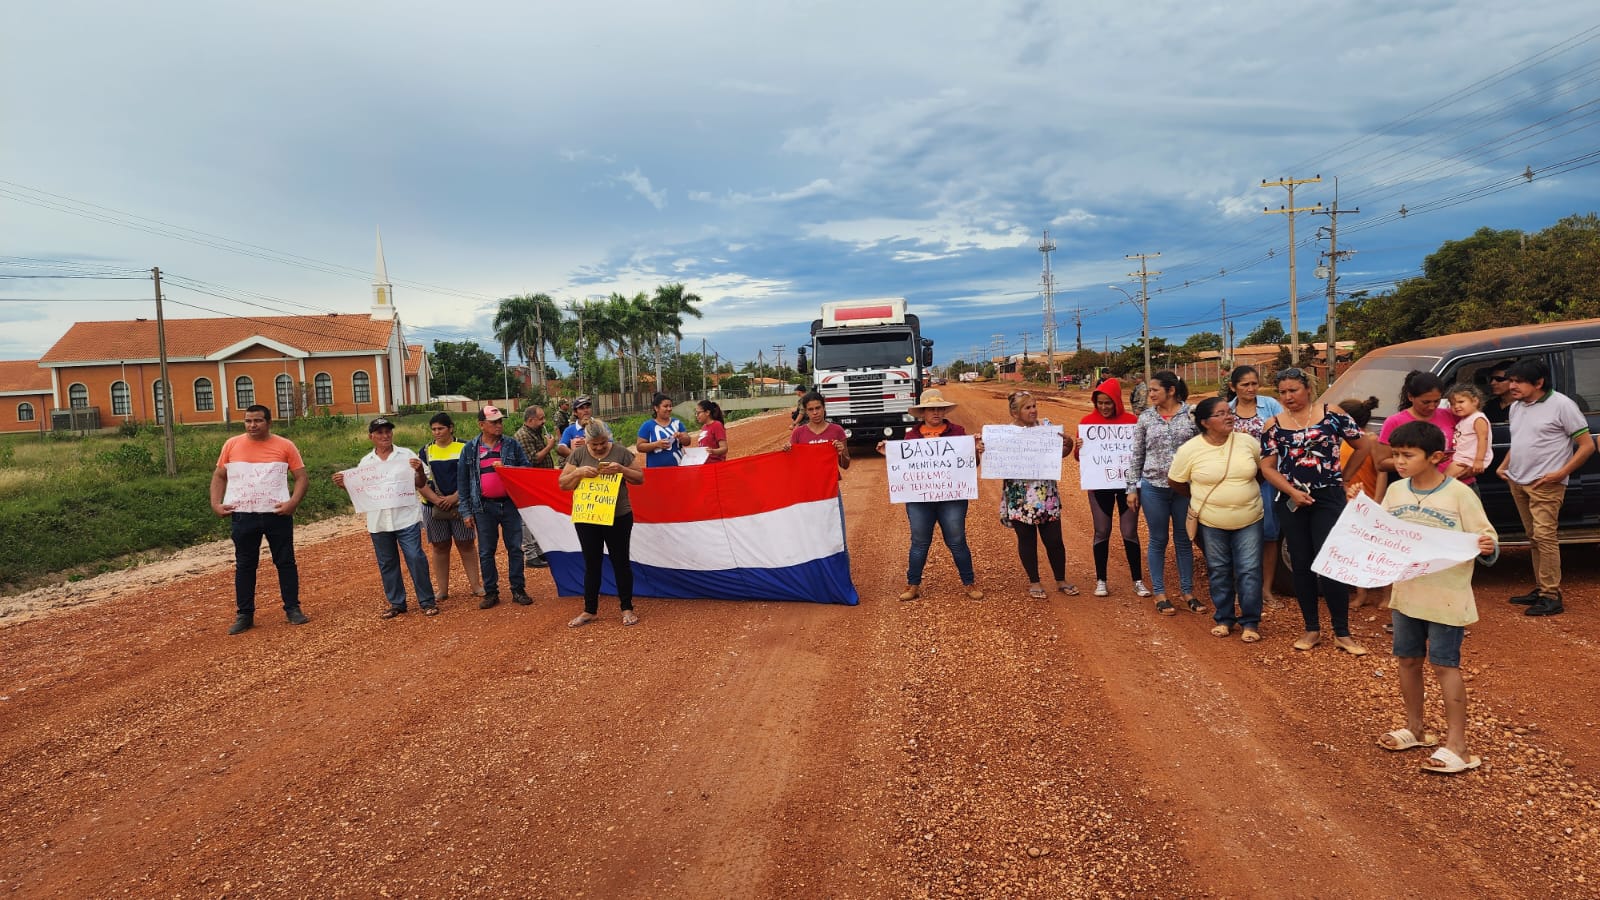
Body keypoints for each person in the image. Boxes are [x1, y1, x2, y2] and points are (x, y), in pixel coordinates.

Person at [1377, 420, 1498, 774]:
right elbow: (1382, 534)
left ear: (1435, 457)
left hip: (1446, 595)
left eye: (1407, 455)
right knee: (1407, 661)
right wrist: (1361, 514)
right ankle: (1415, 728)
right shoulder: (1396, 491)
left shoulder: (1459, 494)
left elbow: (1485, 538)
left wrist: (1488, 546)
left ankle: (1457, 746)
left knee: (1445, 665)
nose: (1399, 461)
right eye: (1396, 454)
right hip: (1407, 592)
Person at [1259, 367, 1376, 654]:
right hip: (1292, 500)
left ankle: (1342, 632)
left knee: (1330, 560)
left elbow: (1362, 446)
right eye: (1283, 392)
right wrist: (1291, 492)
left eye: (1293, 390)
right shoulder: (1272, 425)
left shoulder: (1332, 413)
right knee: (1301, 563)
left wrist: (1345, 478)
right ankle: (1311, 628)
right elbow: (1267, 467)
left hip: (1328, 498)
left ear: (1308, 389)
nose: (1288, 397)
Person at [1496, 358, 1594, 616]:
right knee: (1534, 537)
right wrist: (1505, 465)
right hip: (1518, 480)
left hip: (1546, 484)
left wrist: (1560, 473)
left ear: (1539, 382)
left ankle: (1551, 595)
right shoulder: (1517, 406)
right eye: (1511, 380)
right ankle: (1542, 588)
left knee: (1545, 537)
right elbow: (1519, 441)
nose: (1511, 385)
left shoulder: (1562, 405)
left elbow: (1587, 446)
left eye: (1518, 381)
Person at [1168, 397, 1264, 641]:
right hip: (1211, 523)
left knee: (1249, 570)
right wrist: (1202, 498)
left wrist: (1242, 495)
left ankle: (1250, 622)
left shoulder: (1248, 443)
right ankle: (1224, 618)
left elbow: (1261, 473)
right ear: (1205, 422)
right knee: (1219, 570)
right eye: (1220, 414)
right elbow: (1176, 481)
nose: (1229, 416)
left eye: (1228, 412)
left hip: (1250, 518)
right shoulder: (1190, 450)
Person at [874, 389, 984, 602]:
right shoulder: (911, 437)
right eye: (931, 408)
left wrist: (976, 451)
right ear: (922, 413)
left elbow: (970, 466)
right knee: (919, 542)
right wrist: (889, 455)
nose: (936, 412)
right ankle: (913, 584)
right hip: (919, 498)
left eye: (940, 408)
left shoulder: (958, 432)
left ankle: (969, 583)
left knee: (957, 540)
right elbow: (904, 468)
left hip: (952, 496)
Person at [209, 404, 310, 635]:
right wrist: (215, 504)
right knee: (245, 565)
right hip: (243, 515)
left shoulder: (285, 446)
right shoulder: (231, 445)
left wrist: (293, 503)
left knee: (285, 561)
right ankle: (245, 614)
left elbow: (302, 478)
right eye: (248, 421)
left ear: (269, 422)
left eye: (258, 421)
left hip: (277, 514)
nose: (252, 425)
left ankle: (292, 609)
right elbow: (219, 476)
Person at [333, 418, 436, 618]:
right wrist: (344, 485)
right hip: (378, 521)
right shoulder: (365, 463)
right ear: (371, 436)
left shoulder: (406, 455)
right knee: (387, 562)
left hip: (405, 517)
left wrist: (418, 471)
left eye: (388, 431)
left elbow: (421, 482)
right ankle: (397, 603)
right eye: (379, 432)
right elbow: (361, 492)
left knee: (415, 557)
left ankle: (427, 601)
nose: (385, 436)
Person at [559, 420, 646, 627]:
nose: (599, 448)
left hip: (618, 516)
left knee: (620, 562)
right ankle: (589, 610)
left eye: (603, 443)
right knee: (592, 563)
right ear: (587, 441)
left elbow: (640, 478)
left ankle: (627, 608)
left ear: (608, 438)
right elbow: (562, 484)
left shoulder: (621, 452)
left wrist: (621, 469)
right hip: (588, 517)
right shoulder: (578, 455)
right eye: (594, 444)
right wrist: (579, 472)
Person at [1128, 370, 1198, 616]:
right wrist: (1131, 488)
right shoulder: (1146, 418)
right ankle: (1160, 593)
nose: (1150, 394)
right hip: (1153, 488)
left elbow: (1204, 447)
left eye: (1155, 390)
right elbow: (1137, 454)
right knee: (1158, 540)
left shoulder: (1191, 414)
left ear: (1171, 390)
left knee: (1183, 540)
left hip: (1184, 489)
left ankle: (1187, 592)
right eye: (1149, 390)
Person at [1076, 376, 1150, 599]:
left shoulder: (1132, 421)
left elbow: (1140, 453)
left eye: (1108, 402)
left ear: (1117, 401)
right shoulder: (1088, 422)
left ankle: (1137, 580)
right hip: (1100, 485)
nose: (1104, 407)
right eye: (1100, 403)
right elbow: (1081, 459)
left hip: (1128, 486)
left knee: (1129, 531)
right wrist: (1079, 448)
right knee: (1101, 531)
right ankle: (1101, 580)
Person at [1000, 390, 1077, 599]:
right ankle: (1034, 581)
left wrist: (1068, 446)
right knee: (1026, 540)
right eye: (1027, 407)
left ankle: (1061, 579)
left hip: (1046, 493)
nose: (1033, 410)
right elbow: (996, 462)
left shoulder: (1047, 428)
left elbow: (1058, 454)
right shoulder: (1004, 435)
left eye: (1034, 406)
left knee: (1054, 540)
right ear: (1015, 412)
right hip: (1019, 495)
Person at [458, 404, 534, 609]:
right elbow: (463, 482)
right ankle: (491, 592)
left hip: (509, 504)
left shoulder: (512, 445)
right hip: (483, 507)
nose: (499, 425)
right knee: (486, 551)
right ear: (481, 424)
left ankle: (518, 589)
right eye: (494, 422)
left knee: (515, 549)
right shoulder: (470, 449)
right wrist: (465, 511)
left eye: (500, 421)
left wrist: (508, 469)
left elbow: (526, 470)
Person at [1228, 365, 1286, 608]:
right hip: (1236, 480)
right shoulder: (1227, 410)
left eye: (1254, 383)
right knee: (1238, 531)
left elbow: (1285, 432)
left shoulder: (1271, 406)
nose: (1251, 389)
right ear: (1233, 387)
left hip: (1267, 477)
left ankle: (1266, 589)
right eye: (1245, 385)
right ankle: (1242, 588)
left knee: (1269, 533)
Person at [417, 412, 482, 602]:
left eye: (441, 428)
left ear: (451, 428)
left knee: (466, 544)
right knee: (439, 546)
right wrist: (437, 500)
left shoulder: (465, 447)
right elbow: (420, 481)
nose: (437, 432)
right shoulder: (425, 451)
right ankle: (442, 590)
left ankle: (476, 586)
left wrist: (455, 497)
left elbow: (473, 476)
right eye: (434, 429)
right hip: (432, 506)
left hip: (461, 504)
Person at [1373, 370, 1456, 497]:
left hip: (1454, 484)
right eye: (1426, 402)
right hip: (1415, 490)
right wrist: (1420, 461)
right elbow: (1381, 463)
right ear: (1411, 397)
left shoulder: (1451, 415)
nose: (1432, 406)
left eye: (1437, 401)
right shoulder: (1395, 421)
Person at [1337, 397, 1382, 611]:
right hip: (1349, 501)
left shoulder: (1371, 440)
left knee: (1378, 549)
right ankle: (1361, 593)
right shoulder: (1342, 441)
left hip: (1370, 499)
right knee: (1355, 549)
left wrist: (1379, 500)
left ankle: (1386, 594)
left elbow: (1381, 470)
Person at [514, 405, 558, 568]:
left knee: (539, 517)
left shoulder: (535, 433)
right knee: (528, 519)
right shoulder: (524, 435)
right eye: (540, 419)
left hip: (539, 483)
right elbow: (534, 459)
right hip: (530, 484)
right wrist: (549, 446)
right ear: (530, 420)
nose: (543, 421)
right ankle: (531, 554)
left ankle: (539, 550)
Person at [789, 390, 851, 469]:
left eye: (818, 408)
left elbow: (845, 466)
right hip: (806, 480)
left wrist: (841, 454)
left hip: (830, 481)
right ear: (806, 411)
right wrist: (787, 451)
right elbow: (792, 464)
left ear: (824, 407)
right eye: (810, 409)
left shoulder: (837, 430)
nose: (815, 412)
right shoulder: (798, 433)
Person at [1444, 383, 1491, 486]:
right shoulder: (1465, 419)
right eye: (1452, 404)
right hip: (1461, 457)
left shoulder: (1478, 418)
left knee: (1444, 481)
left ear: (1475, 401)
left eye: (1461, 402)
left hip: (1468, 458)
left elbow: (1483, 439)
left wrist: (1479, 461)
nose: (1456, 406)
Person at [636, 392, 689, 467]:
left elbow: (687, 442)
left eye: (670, 406)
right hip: (656, 471)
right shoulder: (647, 426)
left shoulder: (677, 423)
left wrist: (681, 437)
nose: (669, 409)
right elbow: (639, 447)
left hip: (678, 468)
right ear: (656, 408)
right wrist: (656, 444)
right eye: (665, 406)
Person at [557, 396, 595, 460]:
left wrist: (587, 444)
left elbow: (609, 444)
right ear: (575, 412)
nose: (586, 410)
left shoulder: (601, 426)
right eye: (581, 408)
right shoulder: (570, 430)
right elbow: (560, 448)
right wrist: (576, 456)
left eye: (588, 407)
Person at [1483, 360, 1517, 424]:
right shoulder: (1488, 406)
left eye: (1499, 379)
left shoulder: (1523, 406)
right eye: (1491, 379)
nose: (1493, 383)